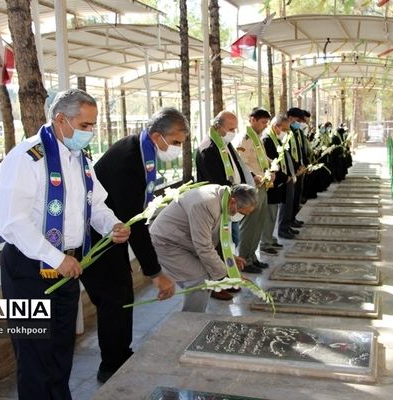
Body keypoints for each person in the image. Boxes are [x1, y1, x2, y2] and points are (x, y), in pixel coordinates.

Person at [0, 89, 131, 399]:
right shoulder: (28, 158)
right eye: (85, 125)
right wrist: (54, 258)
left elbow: (95, 203)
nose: (90, 132)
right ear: (60, 119)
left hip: (68, 269)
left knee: (60, 351)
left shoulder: (79, 158)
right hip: (30, 270)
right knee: (34, 356)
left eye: (93, 125)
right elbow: (13, 222)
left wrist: (112, 225)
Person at [80, 108, 185, 383]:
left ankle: (120, 355)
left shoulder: (141, 152)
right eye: (175, 142)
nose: (178, 148)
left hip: (113, 235)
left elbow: (136, 219)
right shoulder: (129, 160)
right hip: (97, 240)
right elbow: (134, 223)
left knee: (122, 297)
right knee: (114, 300)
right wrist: (155, 273)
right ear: (156, 136)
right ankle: (111, 366)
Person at [149, 184, 257, 312]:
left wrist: (230, 259)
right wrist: (227, 275)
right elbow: (204, 246)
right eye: (241, 213)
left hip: (185, 241)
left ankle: (196, 315)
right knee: (200, 280)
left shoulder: (224, 198)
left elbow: (216, 238)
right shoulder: (206, 203)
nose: (240, 216)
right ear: (233, 201)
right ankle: (192, 320)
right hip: (167, 242)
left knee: (207, 275)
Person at [196, 110, 261, 295]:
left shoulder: (225, 144)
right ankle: (218, 285)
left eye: (235, 128)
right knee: (217, 244)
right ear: (218, 127)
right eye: (231, 128)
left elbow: (238, 166)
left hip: (232, 202)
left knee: (231, 243)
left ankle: (228, 277)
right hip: (219, 205)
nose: (234, 131)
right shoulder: (208, 148)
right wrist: (234, 197)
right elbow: (215, 182)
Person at [233, 107, 273, 270]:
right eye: (262, 122)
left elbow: (261, 160)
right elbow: (241, 163)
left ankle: (252, 255)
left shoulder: (257, 138)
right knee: (249, 225)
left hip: (262, 184)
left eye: (266, 123)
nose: (264, 126)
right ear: (252, 120)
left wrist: (272, 167)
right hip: (252, 186)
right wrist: (253, 175)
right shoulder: (245, 139)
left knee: (258, 222)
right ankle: (244, 259)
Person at [260, 115, 295, 252]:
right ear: (276, 127)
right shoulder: (267, 140)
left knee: (273, 213)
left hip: (278, 182)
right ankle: (266, 242)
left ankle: (271, 238)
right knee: (269, 215)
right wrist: (283, 177)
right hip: (272, 182)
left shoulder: (277, 140)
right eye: (284, 129)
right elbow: (271, 163)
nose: (286, 132)